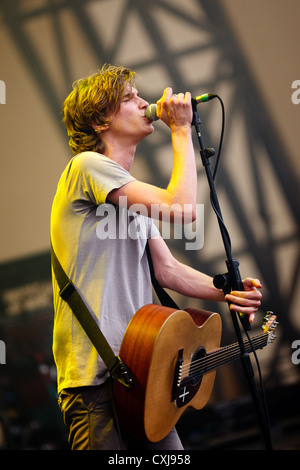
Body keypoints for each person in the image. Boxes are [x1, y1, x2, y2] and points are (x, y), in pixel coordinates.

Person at [50, 64, 262, 450]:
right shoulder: (86, 166)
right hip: (93, 381)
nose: (146, 103)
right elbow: (183, 210)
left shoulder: (129, 196)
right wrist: (181, 130)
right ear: (100, 121)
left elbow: (167, 271)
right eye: (130, 98)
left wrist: (229, 290)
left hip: (140, 375)